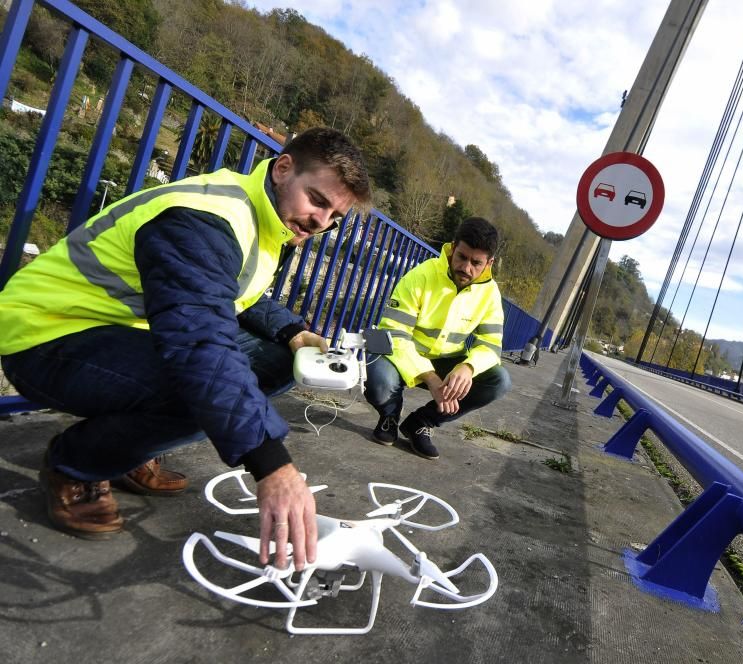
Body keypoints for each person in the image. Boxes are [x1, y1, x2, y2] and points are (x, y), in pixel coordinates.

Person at [0, 128, 370, 573]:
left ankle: (127, 448)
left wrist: (292, 332)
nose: (320, 222)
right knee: (201, 392)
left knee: (282, 362)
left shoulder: (264, 218)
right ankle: (75, 465)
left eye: (334, 215)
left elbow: (235, 294)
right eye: (317, 199)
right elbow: (200, 344)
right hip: (44, 334)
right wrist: (273, 467)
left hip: (118, 331)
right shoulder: (204, 217)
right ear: (283, 168)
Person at [364, 217, 512, 460]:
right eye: (462, 257)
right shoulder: (421, 275)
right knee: (379, 383)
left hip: (446, 361)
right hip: (400, 355)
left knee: (499, 381)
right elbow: (395, 334)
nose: (466, 267)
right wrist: (430, 378)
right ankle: (389, 415)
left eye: (476, 263)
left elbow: (491, 345)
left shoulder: (490, 294)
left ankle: (421, 422)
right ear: (453, 247)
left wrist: (467, 367)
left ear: (489, 263)